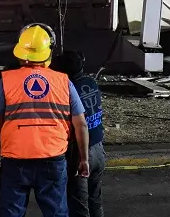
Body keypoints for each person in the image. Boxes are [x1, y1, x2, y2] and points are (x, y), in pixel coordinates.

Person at [0, 24, 91, 217]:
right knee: (56, 213)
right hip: (53, 159)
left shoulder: (6, 81)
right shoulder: (63, 81)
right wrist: (84, 159)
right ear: (48, 52)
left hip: (14, 160)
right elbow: (81, 124)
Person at [52, 50, 105, 217]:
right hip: (98, 148)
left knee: (79, 207)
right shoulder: (91, 82)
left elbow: (76, 124)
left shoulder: (67, 89)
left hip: (81, 151)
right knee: (95, 200)